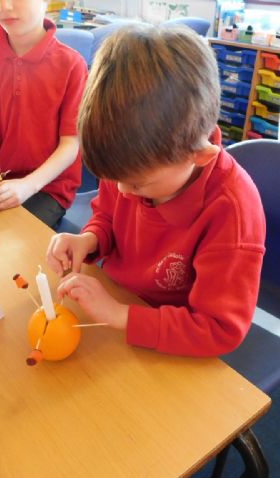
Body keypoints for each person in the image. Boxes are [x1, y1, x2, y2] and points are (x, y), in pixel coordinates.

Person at [46, 25, 266, 357]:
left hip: (171, 337)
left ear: (199, 156)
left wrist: (120, 315)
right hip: (120, 303)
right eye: (114, 179)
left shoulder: (231, 211)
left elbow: (219, 329)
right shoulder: (131, 158)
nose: (122, 191)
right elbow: (108, 215)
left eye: (137, 184)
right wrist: (89, 239)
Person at [0, 0, 88, 228]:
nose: (4, 6)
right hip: (3, 176)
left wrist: (28, 185)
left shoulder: (71, 64)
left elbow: (71, 146)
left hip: (48, 186)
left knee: (10, 237)